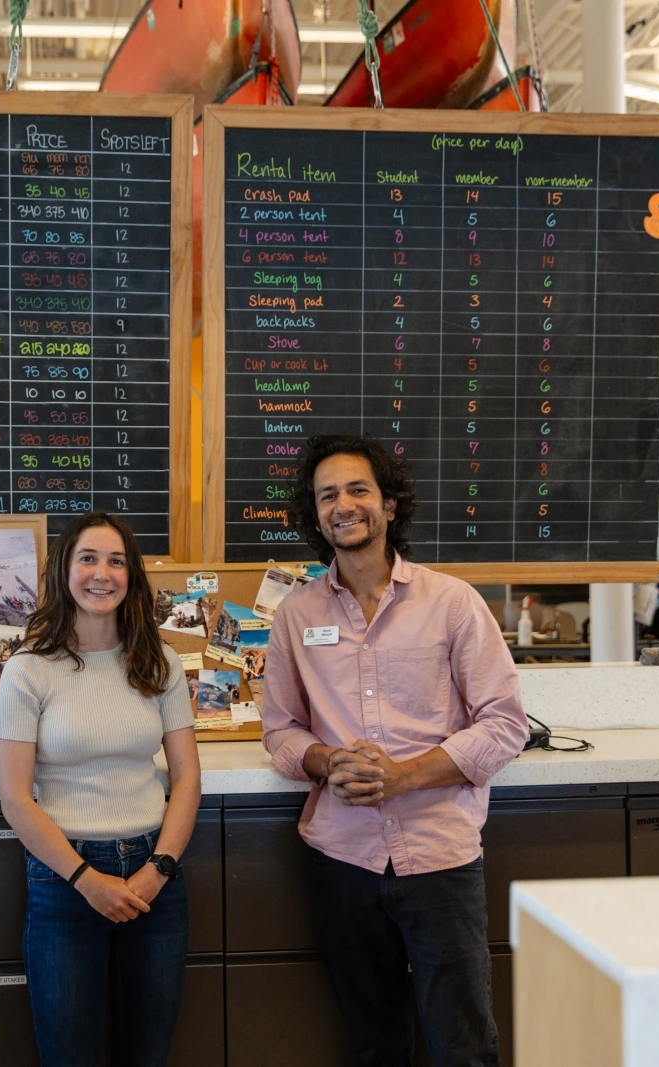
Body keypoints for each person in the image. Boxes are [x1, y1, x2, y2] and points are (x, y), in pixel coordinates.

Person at [261, 434, 529, 1067]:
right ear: (314, 512)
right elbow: (280, 732)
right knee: (373, 1044)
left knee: (462, 1044)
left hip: (438, 853)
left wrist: (403, 777)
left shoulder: (452, 602)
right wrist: (329, 762)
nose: (344, 505)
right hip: (344, 856)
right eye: (327, 495)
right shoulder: (295, 615)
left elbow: (505, 724)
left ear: (388, 503)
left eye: (358, 489)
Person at [0, 512, 201, 1067]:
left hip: (154, 875)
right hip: (66, 879)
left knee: (148, 1054)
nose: (101, 573)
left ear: (131, 574)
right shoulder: (29, 670)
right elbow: (15, 798)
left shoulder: (160, 663)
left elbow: (187, 780)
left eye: (116, 560)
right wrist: (87, 881)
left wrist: (158, 870)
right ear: (64, 568)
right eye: (88, 558)